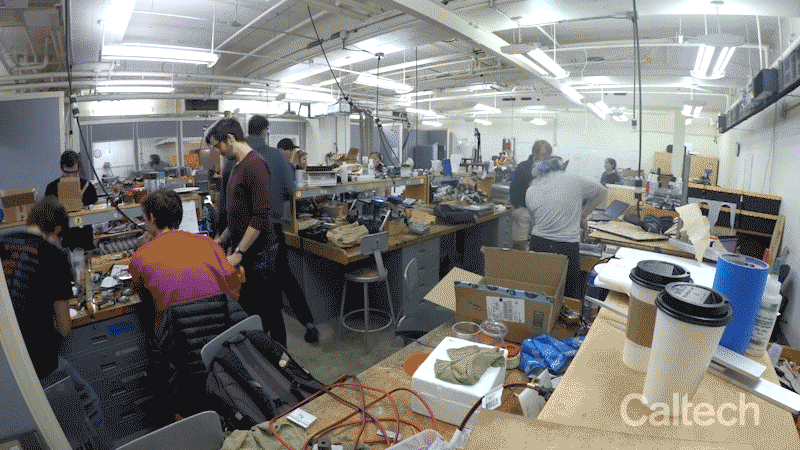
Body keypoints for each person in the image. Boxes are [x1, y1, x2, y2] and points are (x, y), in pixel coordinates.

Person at [1, 197, 111, 449]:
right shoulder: (54, 255)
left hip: (7, 368)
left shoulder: (5, 242)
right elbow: (64, 327)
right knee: (88, 403)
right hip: (38, 364)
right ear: (58, 231)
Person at [232, 115, 318, 343]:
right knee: (284, 280)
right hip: (273, 232)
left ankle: (257, 341)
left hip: (244, 236)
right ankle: (306, 325)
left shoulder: (236, 158)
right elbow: (292, 192)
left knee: (251, 291)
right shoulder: (277, 158)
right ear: (266, 131)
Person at [206, 118, 288, 348]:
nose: (217, 151)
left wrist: (240, 251)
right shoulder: (237, 166)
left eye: (217, 146)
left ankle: (281, 359)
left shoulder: (255, 165)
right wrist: (220, 241)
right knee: (254, 314)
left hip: (261, 255)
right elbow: (238, 216)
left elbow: (260, 216)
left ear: (230, 139)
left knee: (269, 312)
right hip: (250, 255)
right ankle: (263, 355)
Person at [128, 188, 241, 333]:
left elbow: (143, 296)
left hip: (175, 342)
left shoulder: (140, 257)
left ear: (152, 217)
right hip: (219, 338)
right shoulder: (209, 244)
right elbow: (233, 289)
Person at [526, 156, 607, 300]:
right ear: (561, 168)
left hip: (538, 243)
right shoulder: (574, 180)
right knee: (567, 295)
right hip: (565, 246)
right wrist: (583, 216)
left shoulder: (531, 189)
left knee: (537, 291)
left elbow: (535, 221)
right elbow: (602, 192)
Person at [44, 150, 99, 250]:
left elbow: (97, 211)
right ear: (61, 169)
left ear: (78, 169)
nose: (71, 177)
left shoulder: (88, 187)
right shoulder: (51, 188)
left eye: (74, 173)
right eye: (67, 173)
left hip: (85, 240)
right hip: (63, 244)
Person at [509, 140, 552, 250]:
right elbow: (513, 187)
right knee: (519, 244)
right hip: (523, 210)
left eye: (548, 154)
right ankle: (518, 266)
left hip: (540, 213)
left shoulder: (549, 170)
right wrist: (516, 207)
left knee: (538, 245)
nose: (546, 157)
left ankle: (532, 266)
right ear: (535, 153)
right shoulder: (523, 167)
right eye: (543, 154)